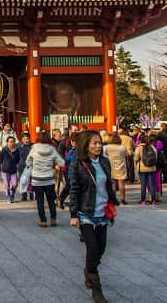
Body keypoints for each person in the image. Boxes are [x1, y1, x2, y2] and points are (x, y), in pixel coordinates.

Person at [69, 130, 119, 303]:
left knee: (102, 248)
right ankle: (96, 290)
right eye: (94, 143)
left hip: (103, 211)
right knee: (92, 248)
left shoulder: (105, 162)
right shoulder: (78, 164)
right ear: (86, 145)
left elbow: (108, 186)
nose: (98, 146)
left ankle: (89, 271)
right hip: (86, 212)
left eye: (99, 143)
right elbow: (74, 189)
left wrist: (113, 202)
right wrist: (74, 214)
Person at [26, 131, 65, 227]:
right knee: (51, 200)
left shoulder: (34, 148)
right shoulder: (52, 149)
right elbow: (62, 163)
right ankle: (53, 219)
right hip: (49, 179)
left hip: (37, 179)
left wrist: (33, 165)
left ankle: (43, 221)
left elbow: (28, 161)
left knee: (40, 201)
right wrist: (53, 164)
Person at [104, 134, 128, 205]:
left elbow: (105, 154)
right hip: (121, 166)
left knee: (113, 184)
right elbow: (127, 154)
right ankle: (122, 198)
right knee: (121, 184)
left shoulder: (107, 147)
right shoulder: (122, 148)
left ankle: (113, 198)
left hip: (111, 166)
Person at [134, 134, 157, 205]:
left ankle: (143, 200)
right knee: (152, 185)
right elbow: (156, 157)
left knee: (143, 185)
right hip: (152, 168)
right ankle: (153, 200)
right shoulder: (152, 147)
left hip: (142, 169)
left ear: (140, 140)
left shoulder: (139, 148)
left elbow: (136, 158)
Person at [0, 136, 21, 203]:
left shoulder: (17, 150)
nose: (12, 143)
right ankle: (8, 196)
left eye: (13, 141)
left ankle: (12, 193)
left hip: (13, 170)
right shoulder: (4, 150)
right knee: (7, 184)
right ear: (7, 142)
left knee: (15, 184)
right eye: (10, 142)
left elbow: (18, 160)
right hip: (5, 170)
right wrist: (1, 167)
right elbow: (1, 159)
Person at [16, 132, 32, 201]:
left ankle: (31, 193)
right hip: (21, 165)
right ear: (21, 139)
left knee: (31, 180)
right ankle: (24, 194)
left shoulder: (32, 146)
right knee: (23, 180)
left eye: (27, 139)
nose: (26, 140)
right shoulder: (18, 146)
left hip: (31, 165)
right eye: (24, 139)